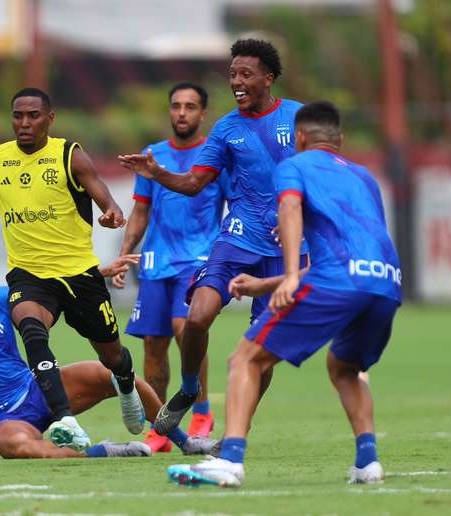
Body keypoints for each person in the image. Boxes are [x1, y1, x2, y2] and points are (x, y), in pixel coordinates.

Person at [167, 101, 402, 487]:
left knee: (245, 358)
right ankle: (368, 461)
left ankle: (229, 461)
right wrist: (264, 285)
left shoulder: (292, 165)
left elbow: (290, 207)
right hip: (385, 282)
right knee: (345, 368)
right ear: (340, 139)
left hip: (335, 282)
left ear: (301, 138)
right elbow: (356, 251)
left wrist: (290, 274)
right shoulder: (365, 178)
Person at [0, 87, 145, 452]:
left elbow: (100, 191)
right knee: (31, 329)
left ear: (50, 118)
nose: (24, 123)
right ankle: (65, 418)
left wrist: (112, 210)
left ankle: (125, 384)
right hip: (29, 274)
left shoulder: (68, 155)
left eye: (33, 116)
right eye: (18, 116)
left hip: (79, 275)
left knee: (112, 356)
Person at [118, 39, 307, 435]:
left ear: (268, 78)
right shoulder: (225, 129)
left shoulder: (297, 117)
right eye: (233, 74)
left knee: (260, 350)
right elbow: (192, 182)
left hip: (286, 249)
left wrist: (302, 213)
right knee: (197, 316)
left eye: (245, 74)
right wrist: (159, 175)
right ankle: (189, 390)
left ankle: (238, 430)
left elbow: (322, 170)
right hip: (237, 239)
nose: (236, 82)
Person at [0, 257, 218, 460]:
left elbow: (51, 287)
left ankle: (185, 442)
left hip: (38, 389)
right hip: (2, 420)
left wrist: (100, 273)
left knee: (115, 373)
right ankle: (103, 452)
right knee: (13, 447)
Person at [113, 82, 226, 452]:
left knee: (186, 326)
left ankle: (202, 410)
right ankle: (161, 427)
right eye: (176, 106)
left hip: (198, 259)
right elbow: (141, 210)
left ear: (202, 113)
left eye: (190, 106)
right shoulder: (152, 155)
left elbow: (236, 203)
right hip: (156, 262)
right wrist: (124, 253)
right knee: (153, 346)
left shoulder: (215, 155)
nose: (182, 112)